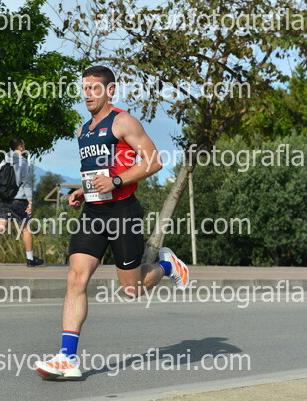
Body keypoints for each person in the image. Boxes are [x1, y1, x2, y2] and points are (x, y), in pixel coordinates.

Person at [34, 66, 190, 380]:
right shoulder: (83, 131)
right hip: (94, 213)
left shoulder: (123, 122)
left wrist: (116, 181)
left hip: (123, 212)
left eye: (95, 88)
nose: (88, 94)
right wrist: (83, 191)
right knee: (76, 278)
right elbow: (97, 171)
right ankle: (67, 358)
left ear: (110, 91)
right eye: (85, 88)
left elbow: (154, 161)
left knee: (132, 289)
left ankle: (168, 266)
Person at [0, 138, 44, 267]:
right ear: (20, 147)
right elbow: (26, 182)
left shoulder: (4, 159)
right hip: (19, 199)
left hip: (5, 198)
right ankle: (30, 259)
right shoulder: (23, 162)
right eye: (23, 144)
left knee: (0, 225)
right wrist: (30, 201)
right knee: (26, 228)